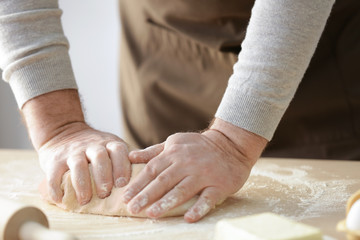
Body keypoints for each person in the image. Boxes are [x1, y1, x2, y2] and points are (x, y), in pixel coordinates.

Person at [0, 0, 359, 223]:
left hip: (315, 62)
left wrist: (233, 143)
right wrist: (59, 129)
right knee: (153, 191)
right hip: (166, 45)